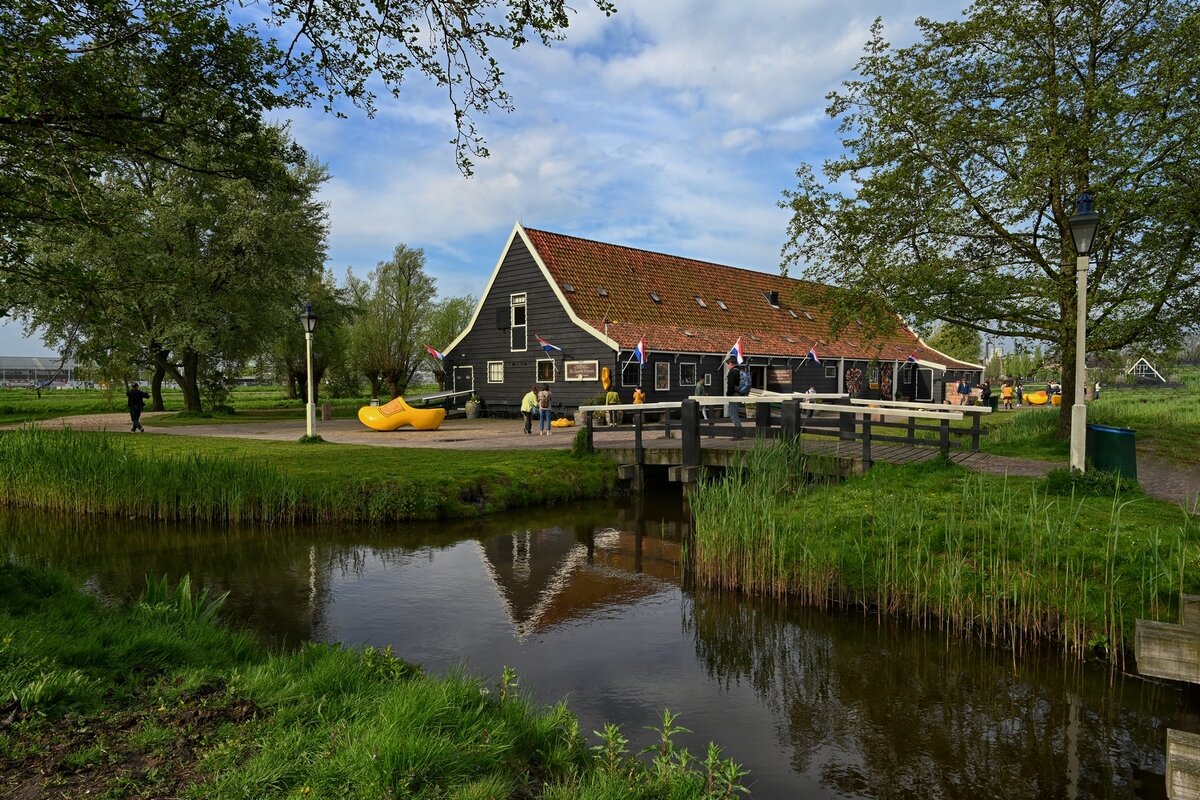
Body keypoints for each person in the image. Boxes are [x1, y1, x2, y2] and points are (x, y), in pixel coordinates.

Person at [725, 358, 743, 438]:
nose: (728, 366)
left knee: (733, 415)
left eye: (728, 364)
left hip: (734, 395)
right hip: (739, 394)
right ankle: (739, 434)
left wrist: (728, 395)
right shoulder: (739, 371)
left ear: (731, 364)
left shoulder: (732, 372)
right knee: (735, 414)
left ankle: (739, 435)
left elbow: (731, 386)